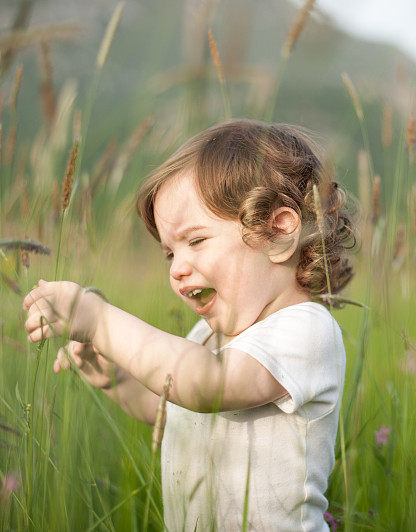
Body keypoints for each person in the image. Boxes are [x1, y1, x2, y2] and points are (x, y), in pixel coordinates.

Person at [22, 119, 356, 531]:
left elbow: (204, 386)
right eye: (169, 254)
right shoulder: (208, 337)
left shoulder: (306, 330)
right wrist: (116, 377)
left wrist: (99, 321)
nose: (178, 269)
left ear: (278, 233)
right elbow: (170, 405)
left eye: (196, 241)